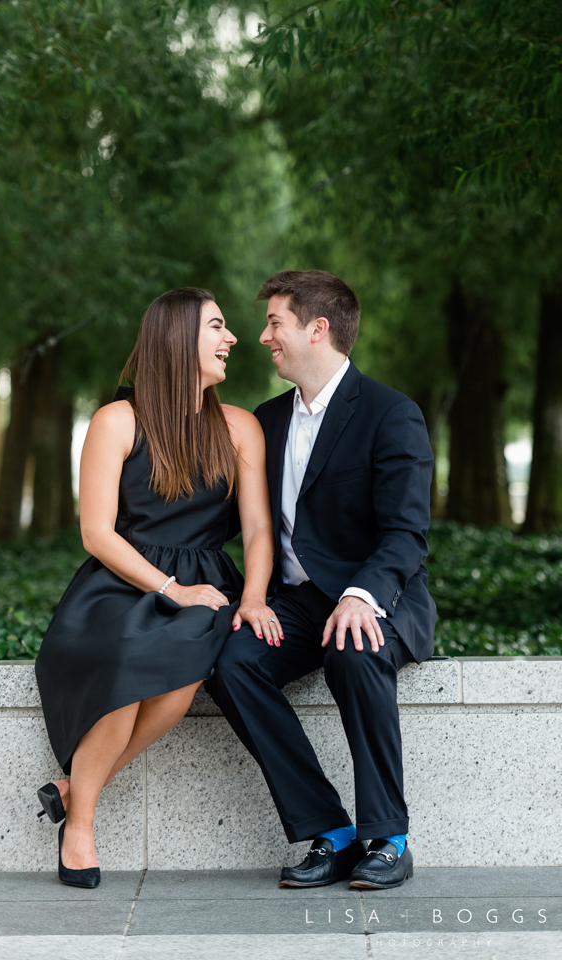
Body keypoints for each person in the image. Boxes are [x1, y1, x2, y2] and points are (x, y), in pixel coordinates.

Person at [35, 287, 281, 888]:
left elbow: (256, 529)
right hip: (119, 581)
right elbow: (96, 533)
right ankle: (81, 826)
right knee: (124, 670)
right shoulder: (116, 420)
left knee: (173, 690)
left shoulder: (241, 426)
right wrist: (171, 589)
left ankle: (73, 792)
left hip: (208, 583)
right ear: (177, 340)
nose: (232, 339)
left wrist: (252, 596)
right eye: (218, 328)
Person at [207, 270, 436, 890]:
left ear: (318, 328)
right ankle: (330, 831)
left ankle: (388, 836)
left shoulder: (391, 414)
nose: (262, 337)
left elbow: (406, 533)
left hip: (377, 596)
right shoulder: (266, 420)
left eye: (274, 322)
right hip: (295, 604)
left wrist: (363, 595)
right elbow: (236, 520)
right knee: (232, 664)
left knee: (354, 647)